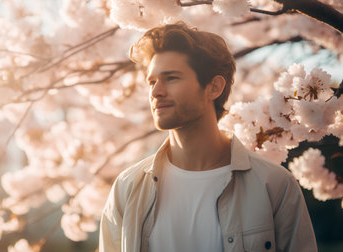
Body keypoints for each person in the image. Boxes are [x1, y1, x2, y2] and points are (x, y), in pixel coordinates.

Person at [99, 22, 317, 252]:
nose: (155, 92)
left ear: (214, 87)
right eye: (152, 82)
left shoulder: (274, 185)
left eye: (171, 78)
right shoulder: (128, 188)